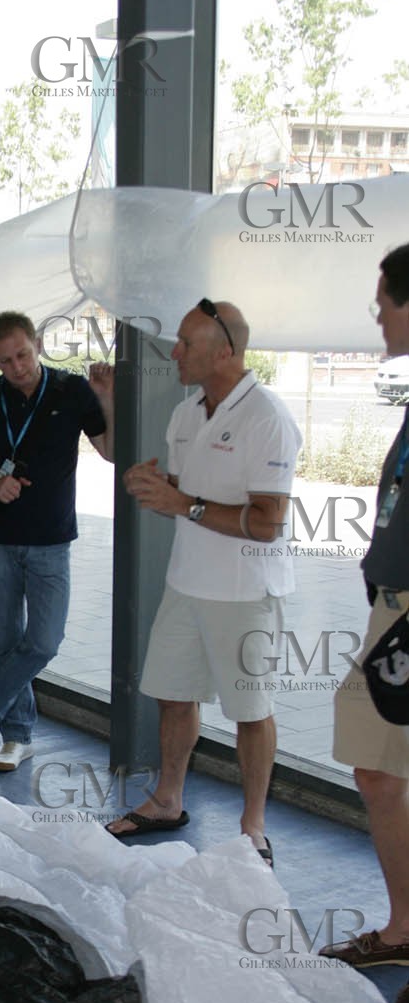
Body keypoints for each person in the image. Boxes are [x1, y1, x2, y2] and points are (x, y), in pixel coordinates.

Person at [104, 298, 301, 862]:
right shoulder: (187, 412)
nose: (175, 354)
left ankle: (252, 826)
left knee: (250, 711)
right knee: (172, 695)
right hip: (186, 583)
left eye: (187, 345)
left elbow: (267, 521)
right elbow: (183, 490)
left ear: (225, 352)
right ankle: (168, 799)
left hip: (244, 593)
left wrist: (183, 504)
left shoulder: (267, 417)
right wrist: (153, 483)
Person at [0, 310, 114, 772]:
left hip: (51, 538)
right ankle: (16, 737)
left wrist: (107, 398)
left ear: (38, 345)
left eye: (23, 355)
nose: (17, 367)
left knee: (44, 641)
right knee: (4, 642)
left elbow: (112, 452)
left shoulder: (71, 390)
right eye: (5, 361)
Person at [322, 244, 409, 1003]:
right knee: (376, 769)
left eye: (383, 301)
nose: (376, 316)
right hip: (392, 611)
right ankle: (401, 930)